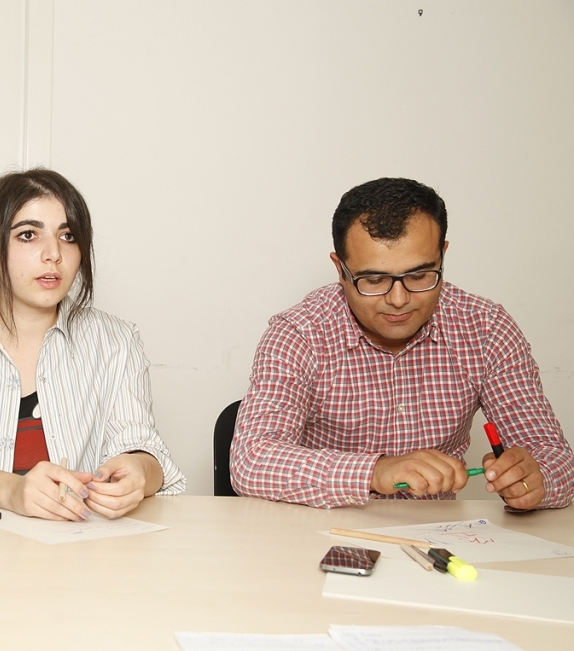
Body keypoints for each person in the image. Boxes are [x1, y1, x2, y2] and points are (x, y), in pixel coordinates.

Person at [231, 177, 574, 510]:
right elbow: (252, 461)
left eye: (419, 276)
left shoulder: (485, 329)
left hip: (441, 544)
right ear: (340, 269)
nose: (398, 299)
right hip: (322, 533)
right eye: (374, 279)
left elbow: (555, 459)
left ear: (443, 256)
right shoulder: (300, 333)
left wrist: (536, 480)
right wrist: (376, 471)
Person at [0, 169, 184, 521]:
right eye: (28, 235)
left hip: (84, 549)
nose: (54, 254)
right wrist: (11, 490)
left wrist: (138, 473)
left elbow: (143, 447)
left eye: (68, 236)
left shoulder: (116, 341)